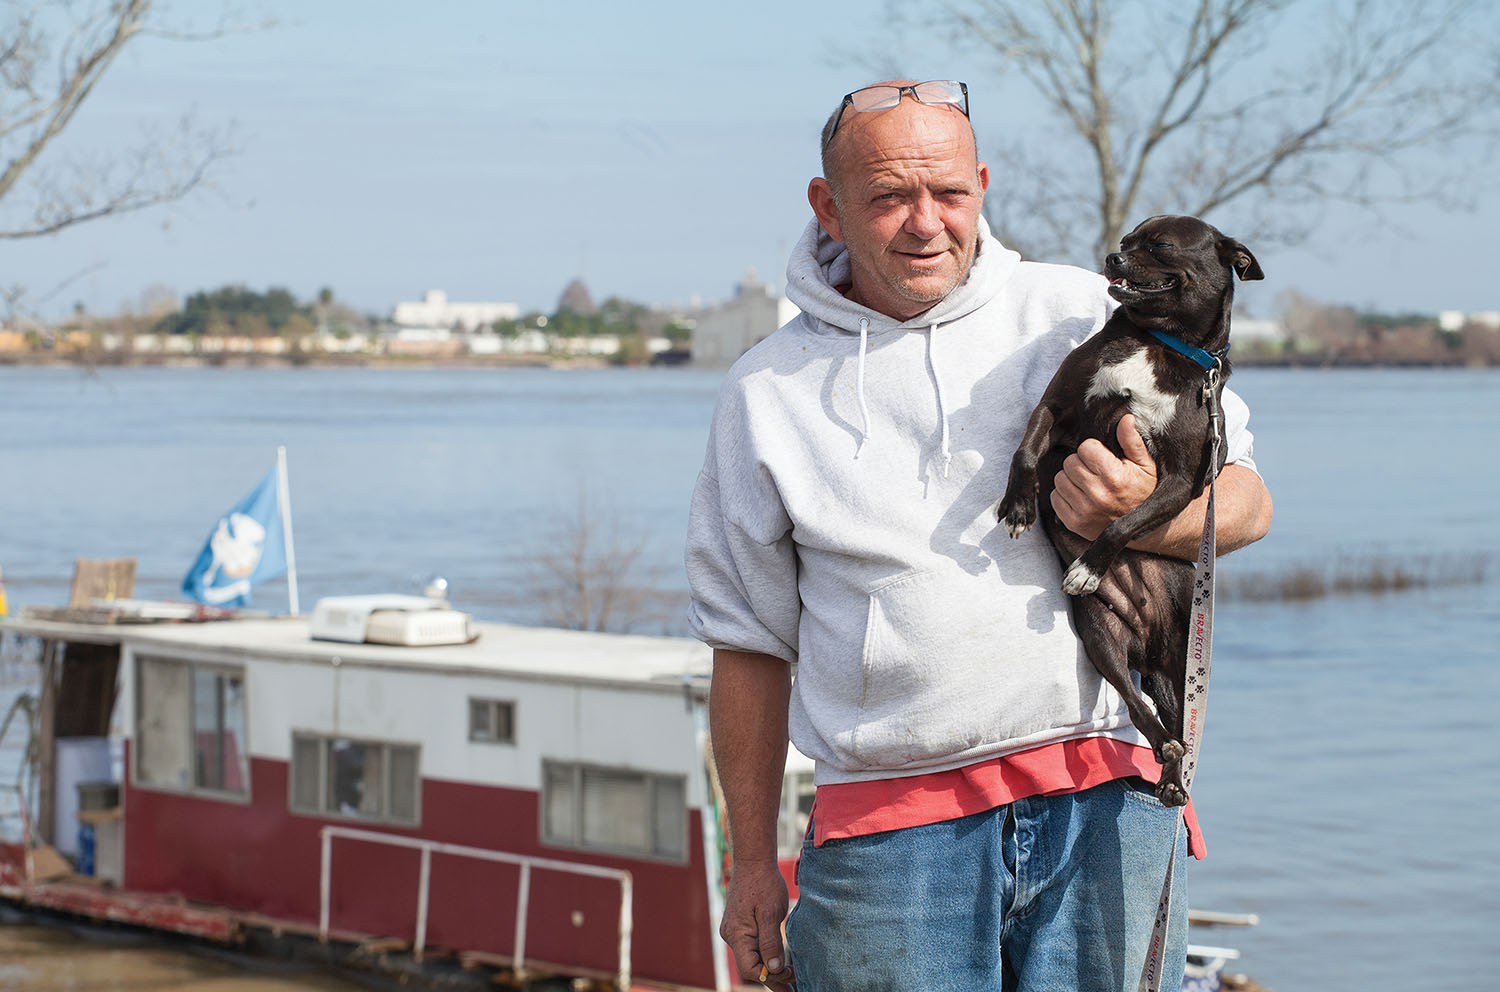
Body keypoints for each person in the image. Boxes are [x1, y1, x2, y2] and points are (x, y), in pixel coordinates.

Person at [685, 79, 1273, 992]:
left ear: (984, 187)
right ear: (826, 205)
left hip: (1107, 805)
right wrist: (752, 865)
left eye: (949, 194)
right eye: (888, 196)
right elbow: (749, 644)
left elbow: (1247, 504)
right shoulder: (767, 392)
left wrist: (1138, 515)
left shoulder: (1087, 312)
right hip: (891, 839)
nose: (926, 223)